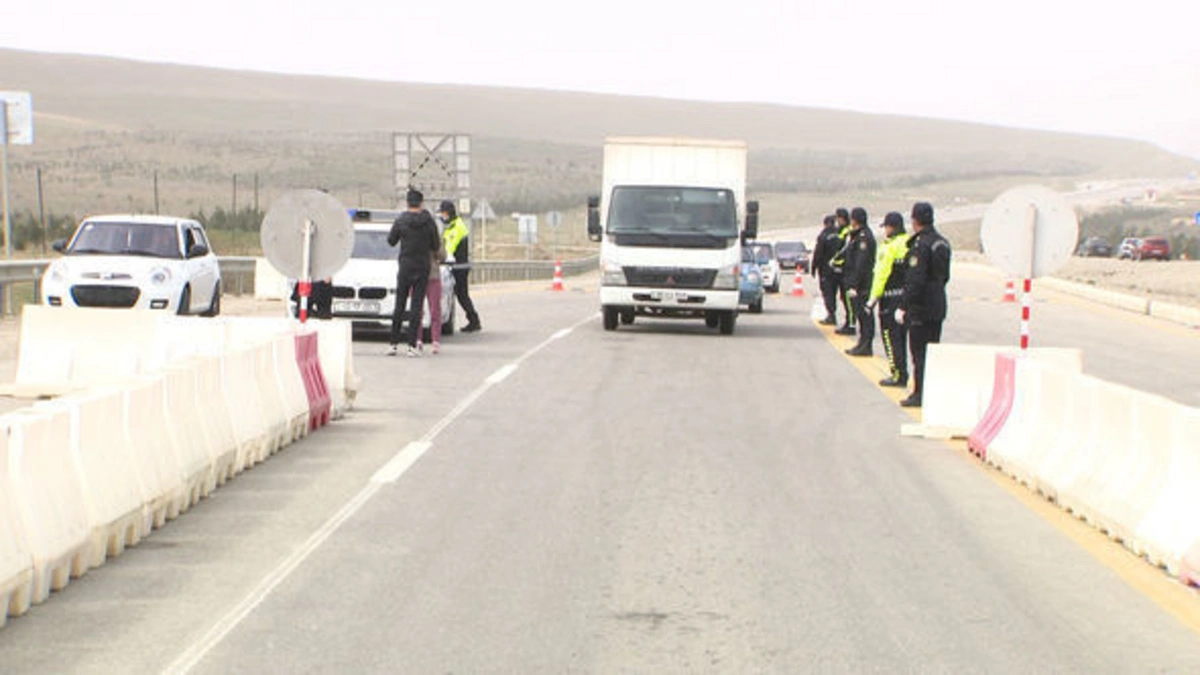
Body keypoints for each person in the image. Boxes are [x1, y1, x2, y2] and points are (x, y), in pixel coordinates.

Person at [898, 201, 952, 407]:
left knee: (919, 354)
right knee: (932, 352)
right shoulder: (942, 242)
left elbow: (915, 280)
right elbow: (944, 276)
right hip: (937, 304)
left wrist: (904, 305)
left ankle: (920, 393)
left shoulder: (921, 245)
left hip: (920, 307)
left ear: (914, 220)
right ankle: (928, 391)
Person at [386, 189, 441, 357]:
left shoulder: (401, 220)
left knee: (400, 304)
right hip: (422, 266)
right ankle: (412, 346)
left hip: (405, 265)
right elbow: (435, 245)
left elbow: (391, 241)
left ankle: (393, 344)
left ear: (407, 203)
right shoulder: (429, 221)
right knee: (417, 306)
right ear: (421, 203)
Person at [869, 212, 911, 386]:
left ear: (892, 227)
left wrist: (873, 298)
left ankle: (897, 373)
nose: (885, 230)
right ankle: (903, 372)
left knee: (890, 338)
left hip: (889, 298)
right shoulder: (910, 243)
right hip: (906, 298)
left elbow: (881, 275)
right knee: (902, 338)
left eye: (886, 227)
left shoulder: (890, 247)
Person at [439, 200, 481, 333]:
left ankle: (474, 321)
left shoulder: (456, 227)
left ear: (450, 213)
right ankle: (473, 320)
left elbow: (449, 248)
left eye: (444, 213)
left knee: (461, 295)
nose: (442, 216)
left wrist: (440, 257)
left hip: (459, 267)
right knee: (460, 295)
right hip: (457, 266)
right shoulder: (452, 226)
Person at [843, 207, 876, 356]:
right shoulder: (857, 236)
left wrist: (855, 285)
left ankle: (866, 345)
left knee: (865, 315)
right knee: (861, 316)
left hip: (863, 284)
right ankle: (862, 343)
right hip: (858, 282)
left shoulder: (864, 238)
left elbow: (861, 264)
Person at [419, 225, 448, 355]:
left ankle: (418, 340)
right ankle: (434, 341)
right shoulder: (435, 238)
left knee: (418, 309)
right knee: (434, 309)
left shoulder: (415, 236)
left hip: (418, 275)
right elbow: (442, 256)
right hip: (432, 275)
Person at [829, 208, 856, 335]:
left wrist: (835, 260)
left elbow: (844, 250)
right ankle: (848, 321)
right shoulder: (840, 230)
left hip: (845, 269)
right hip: (839, 268)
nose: (837, 221)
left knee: (848, 299)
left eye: (838, 218)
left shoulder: (848, 232)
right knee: (843, 297)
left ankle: (851, 324)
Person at [810, 214, 842, 325]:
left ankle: (831, 315)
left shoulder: (823, 236)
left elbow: (818, 253)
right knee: (834, 292)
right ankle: (833, 314)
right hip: (839, 269)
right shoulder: (840, 234)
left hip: (826, 270)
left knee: (828, 293)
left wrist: (814, 267)